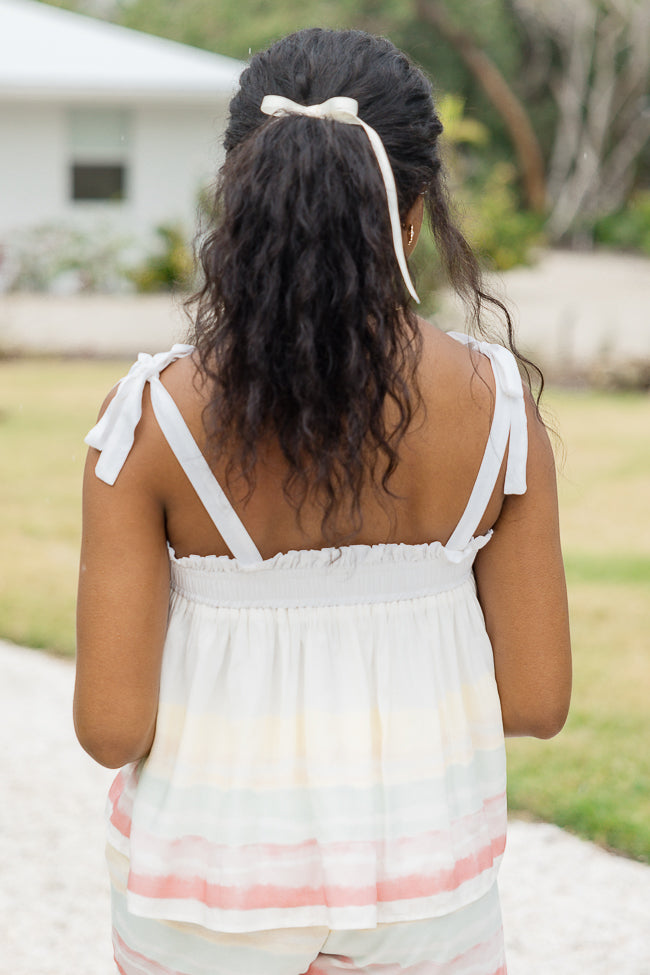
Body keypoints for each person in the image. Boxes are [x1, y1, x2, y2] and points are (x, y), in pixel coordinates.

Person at [74, 27, 571, 975]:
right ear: (414, 214)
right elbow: (538, 699)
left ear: (240, 201)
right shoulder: (497, 408)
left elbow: (111, 726)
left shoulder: (152, 417)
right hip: (426, 893)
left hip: (202, 901)